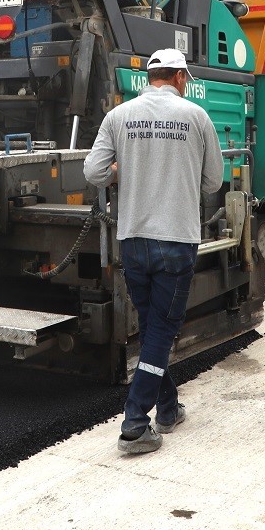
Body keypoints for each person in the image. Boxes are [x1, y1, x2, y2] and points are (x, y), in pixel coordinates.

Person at [83, 48, 223, 455]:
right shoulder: (196, 117)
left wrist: (121, 171)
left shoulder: (119, 117)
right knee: (162, 330)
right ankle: (134, 423)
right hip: (176, 239)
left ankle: (168, 408)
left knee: (152, 327)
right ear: (180, 78)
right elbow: (213, 182)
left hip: (133, 238)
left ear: (149, 77)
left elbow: (93, 172)